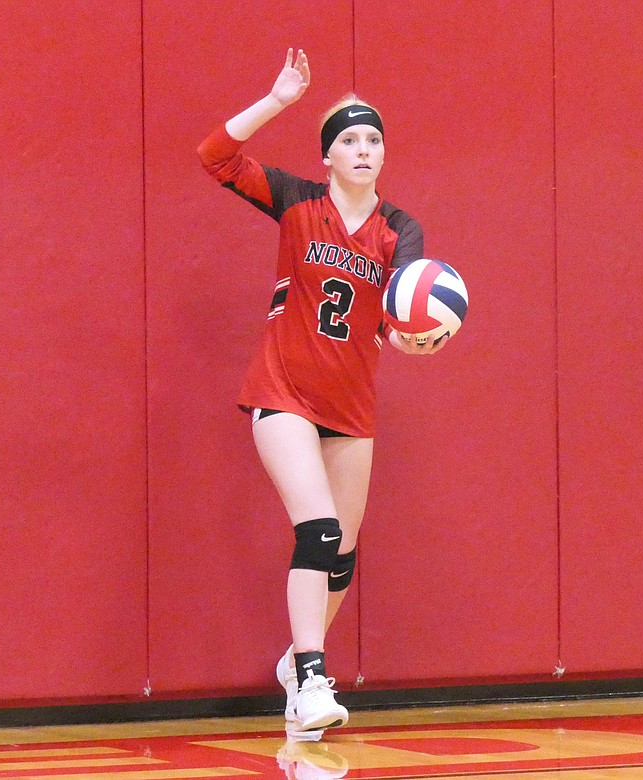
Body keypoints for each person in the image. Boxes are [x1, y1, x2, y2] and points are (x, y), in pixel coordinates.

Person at [198, 49, 443, 741]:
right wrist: (277, 98)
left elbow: (401, 318)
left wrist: (413, 339)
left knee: (343, 554)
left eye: (373, 140)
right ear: (327, 156)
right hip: (283, 393)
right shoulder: (298, 201)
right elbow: (214, 156)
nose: (363, 150)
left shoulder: (403, 231)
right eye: (349, 140)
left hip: (350, 406)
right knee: (319, 529)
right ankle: (311, 677)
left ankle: (295, 662)